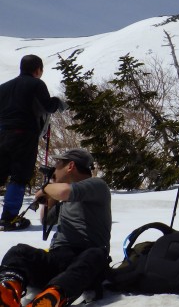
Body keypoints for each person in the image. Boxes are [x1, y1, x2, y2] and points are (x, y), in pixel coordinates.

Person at [0, 149, 111, 307]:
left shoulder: (97, 185)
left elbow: (64, 191)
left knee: (97, 255)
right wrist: (50, 198)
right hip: (59, 257)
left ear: (70, 166)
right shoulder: (65, 199)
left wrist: (47, 188)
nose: (55, 169)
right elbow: (46, 219)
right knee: (19, 251)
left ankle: (54, 296)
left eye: (58, 164)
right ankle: (8, 290)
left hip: (86, 259)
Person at [0, 55, 67, 230]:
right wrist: (57, 102)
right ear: (37, 69)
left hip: (2, 134)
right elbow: (48, 106)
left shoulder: (3, 87)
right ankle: (9, 218)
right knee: (19, 176)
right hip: (23, 135)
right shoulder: (36, 84)